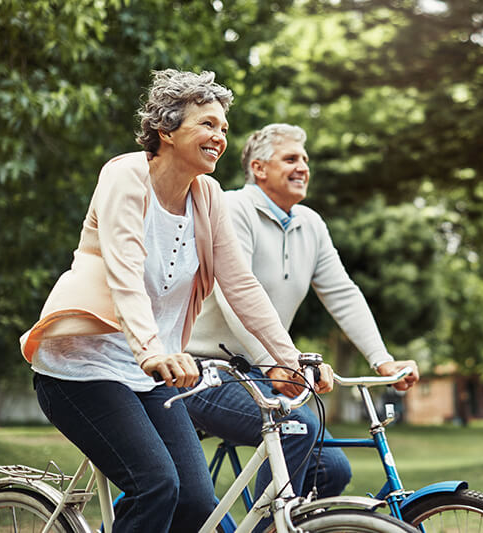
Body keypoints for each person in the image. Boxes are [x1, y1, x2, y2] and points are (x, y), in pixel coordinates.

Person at [19, 73, 332, 533]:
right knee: (156, 484)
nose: (219, 137)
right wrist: (151, 350)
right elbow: (124, 269)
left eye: (224, 129)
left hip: (154, 375)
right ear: (166, 131)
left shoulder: (208, 197)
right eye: (208, 124)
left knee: (196, 502)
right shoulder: (124, 176)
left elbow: (240, 285)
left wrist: (291, 359)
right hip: (82, 367)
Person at [184, 123, 420, 522]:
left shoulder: (310, 224)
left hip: (258, 371)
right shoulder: (231, 209)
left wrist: (382, 360)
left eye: (305, 160)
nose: (303, 167)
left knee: (333, 468)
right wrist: (274, 362)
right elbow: (232, 295)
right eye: (291, 159)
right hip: (202, 369)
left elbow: (343, 294)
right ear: (258, 168)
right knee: (296, 425)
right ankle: (267, 527)